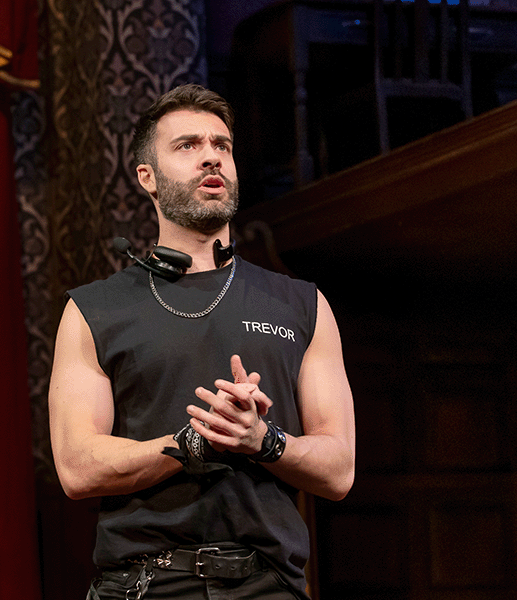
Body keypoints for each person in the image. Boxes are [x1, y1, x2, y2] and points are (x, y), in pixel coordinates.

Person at [49, 83, 355, 600]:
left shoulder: (301, 304)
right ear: (147, 176)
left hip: (268, 585)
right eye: (188, 145)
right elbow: (78, 467)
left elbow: (340, 469)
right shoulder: (93, 310)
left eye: (222, 145)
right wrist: (191, 444)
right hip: (144, 584)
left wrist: (264, 440)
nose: (211, 156)